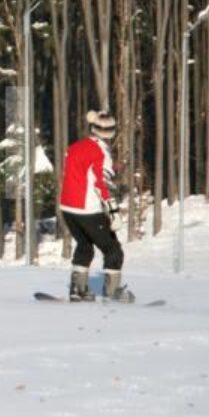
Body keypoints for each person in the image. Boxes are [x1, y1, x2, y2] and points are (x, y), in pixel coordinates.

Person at [59, 110, 134, 302]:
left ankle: (78, 289)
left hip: (67, 207)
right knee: (113, 250)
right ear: (111, 131)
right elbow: (103, 183)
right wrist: (114, 212)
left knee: (85, 246)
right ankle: (112, 292)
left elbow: (79, 172)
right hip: (88, 209)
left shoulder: (75, 146)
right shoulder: (102, 152)